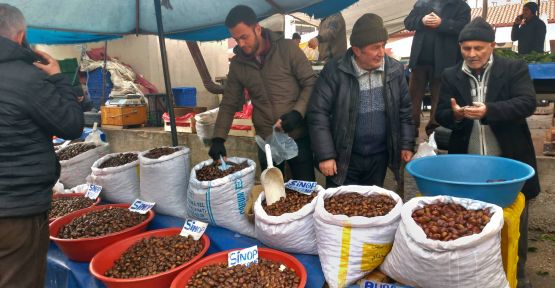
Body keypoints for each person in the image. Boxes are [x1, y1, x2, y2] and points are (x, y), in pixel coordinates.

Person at [436, 17, 540, 288]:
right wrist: (457, 116)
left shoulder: (513, 68)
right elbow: (441, 115)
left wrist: (489, 111)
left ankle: (517, 275)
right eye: (466, 48)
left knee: (514, 222)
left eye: (478, 48)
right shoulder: (450, 75)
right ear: (460, 47)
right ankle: (475, 277)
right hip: (467, 168)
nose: (472, 54)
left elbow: (526, 103)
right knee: (467, 222)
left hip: (510, 163)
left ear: (492, 46)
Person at [0, 4, 84, 287]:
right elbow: (72, 125)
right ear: (20, 35)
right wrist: (58, 77)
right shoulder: (26, 78)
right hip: (16, 210)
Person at [209, 5, 317, 181]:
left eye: (244, 37)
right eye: (236, 39)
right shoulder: (238, 65)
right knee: (273, 197)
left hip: (297, 135)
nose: (241, 44)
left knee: (306, 191)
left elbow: (310, 82)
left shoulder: (287, 49)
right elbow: (229, 103)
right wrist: (218, 139)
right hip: (267, 141)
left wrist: (298, 112)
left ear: (257, 29)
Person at [307, 13, 415, 188]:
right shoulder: (335, 71)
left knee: (372, 208)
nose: (381, 53)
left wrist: (406, 145)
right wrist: (325, 155)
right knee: (339, 210)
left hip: (379, 158)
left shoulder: (394, 70)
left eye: (383, 46)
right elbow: (318, 114)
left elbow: (405, 112)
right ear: (357, 50)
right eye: (375, 47)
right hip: (344, 158)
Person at [404, 0, 470, 137]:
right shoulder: (422, 3)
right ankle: (409, 131)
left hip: (444, 62)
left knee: (439, 99)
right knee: (412, 98)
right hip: (419, 61)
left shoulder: (461, 6)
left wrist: (442, 23)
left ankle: (435, 133)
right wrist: (421, 20)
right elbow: (408, 22)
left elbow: (464, 28)